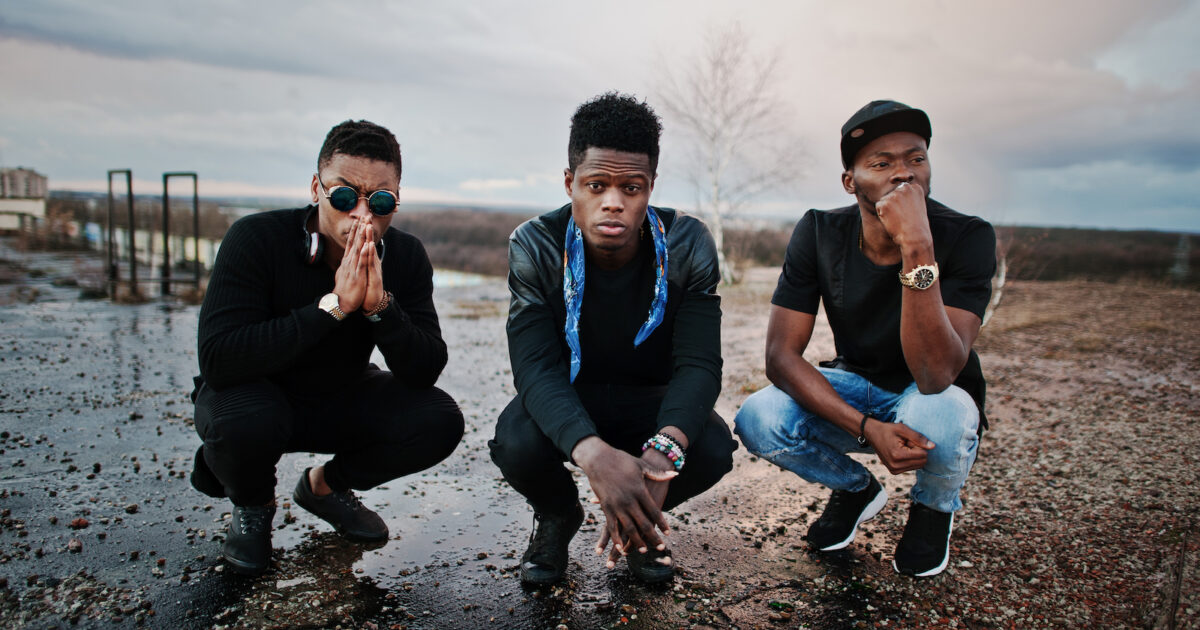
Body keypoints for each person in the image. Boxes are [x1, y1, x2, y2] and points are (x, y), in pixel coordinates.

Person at [188, 120, 464, 575]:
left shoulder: (405, 255)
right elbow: (219, 359)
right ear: (316, 188)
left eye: (379, 201)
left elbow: (424, 369)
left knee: (438, 419)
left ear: (395, 200)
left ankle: (322, 488)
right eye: (343, 196)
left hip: (339, 394)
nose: (361, 215)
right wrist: (333, 307)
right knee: (245, 423)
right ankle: (253, 503)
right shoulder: (256, 238)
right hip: (253, 396)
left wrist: (380, 309)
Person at [733, 100, 996, 577]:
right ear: (850, 181)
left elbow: (935, 373)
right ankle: (856, 488)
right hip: (857, 384)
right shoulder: (819, 230)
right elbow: (780, 358)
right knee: (760, 415)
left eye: (916, 159)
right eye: (882, 163)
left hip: (931, 396)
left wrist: (916, 246)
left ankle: (934, 508)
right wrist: (865, 428)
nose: (904, 176)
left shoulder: (967, 236)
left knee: (945, 409)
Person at [489, 93, 737, 585]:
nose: (613, 202)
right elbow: (535, 368)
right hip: (572, 396)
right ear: (570, 183)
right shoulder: (535, 245)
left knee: (710, 445)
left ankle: (639, 522)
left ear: (650, 188)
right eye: (596, 185)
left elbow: (700, 365)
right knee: (515, 439)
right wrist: (595, 458)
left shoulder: (687, 245)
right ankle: (559, 515)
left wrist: (663, 453)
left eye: (632, 187)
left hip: (651, 402)